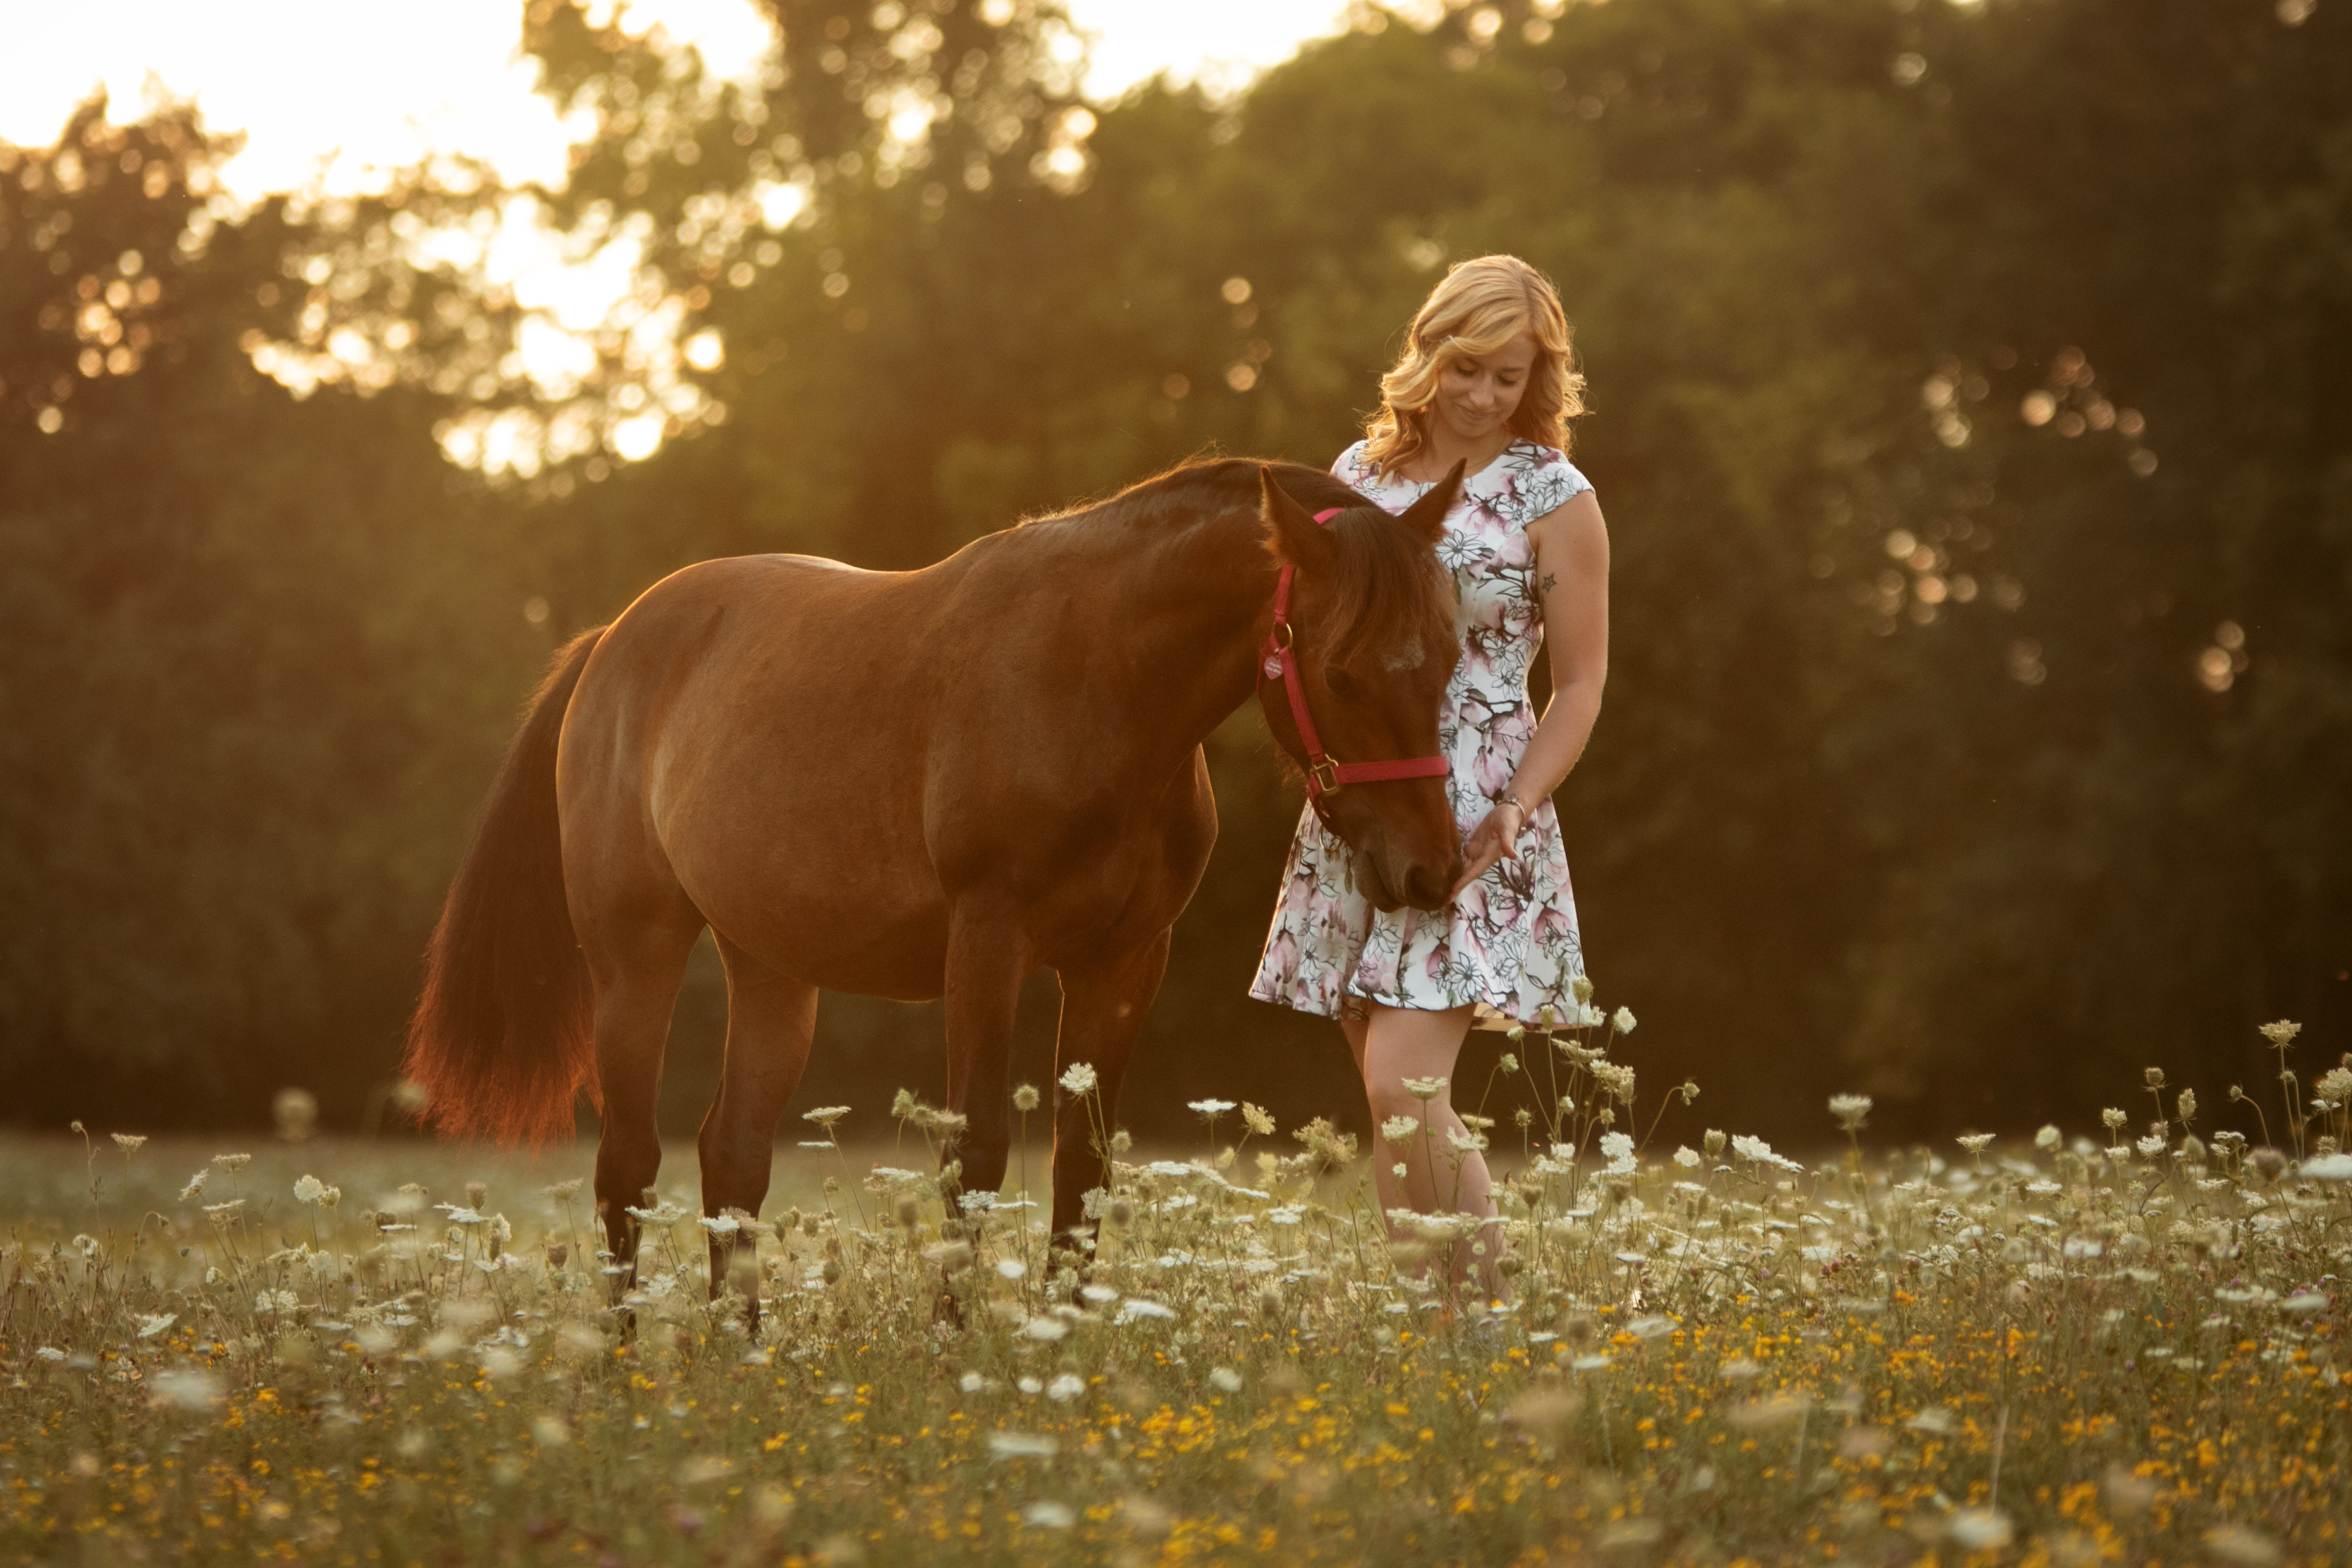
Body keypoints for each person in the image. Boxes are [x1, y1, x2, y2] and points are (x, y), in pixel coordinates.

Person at [1249, 255, 1609, 1301]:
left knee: (1405, 1088)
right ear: (1430, 352)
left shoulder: (1555, 495)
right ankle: (1438, 1336)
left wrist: (1514, 807)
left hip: (1477, 812)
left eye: (1510, 376)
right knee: (1386, 1101)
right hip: (1365, 802)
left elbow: (1580, 686)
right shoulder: (1355, 476)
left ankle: (1491, 1325)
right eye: (1468, 369)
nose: (1485, 395)